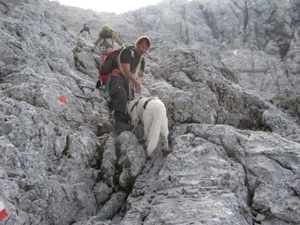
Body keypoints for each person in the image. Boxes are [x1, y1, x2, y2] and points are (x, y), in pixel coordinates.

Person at [108, 36, 151, 134]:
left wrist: (138, 76)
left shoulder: (141, 60)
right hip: (117, 77)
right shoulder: (127, 52)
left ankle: (127, 120)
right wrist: (136, 82)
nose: (143, 50)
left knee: (130, 102)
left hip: (129, 82)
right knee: (121, 93)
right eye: (142, 46)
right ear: (137, 44)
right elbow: (126, 70)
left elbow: (139, 74)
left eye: (145, 49)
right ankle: (119, 123)